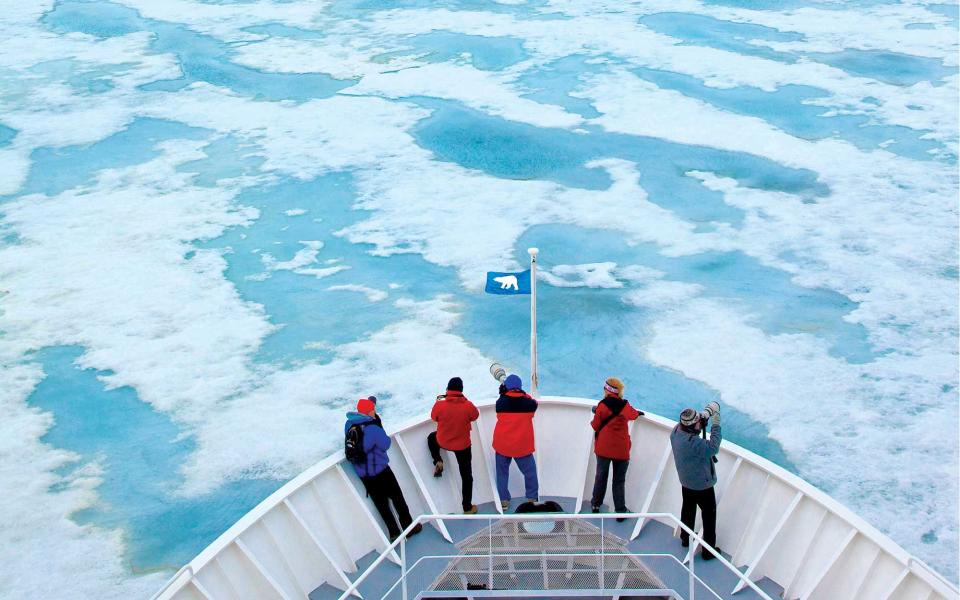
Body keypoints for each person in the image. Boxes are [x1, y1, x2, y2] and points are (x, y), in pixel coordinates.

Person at [344, 397, 423, 540]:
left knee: (381, 504)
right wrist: (378, 424)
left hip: (364, 475)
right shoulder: (373, 428)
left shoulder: (349, 425)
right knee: (397, 498)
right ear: (370, 411)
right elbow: (385, 444)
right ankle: (408, 527)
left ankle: (394, 533)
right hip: (380, 471)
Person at [670, 401, 722, 560]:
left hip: (686, 481)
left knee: (688, 510)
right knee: (709, 516)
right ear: (693, 426)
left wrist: (700, 418)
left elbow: (691, 429)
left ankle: (685, 538)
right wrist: (715, 424)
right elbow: (713, 447)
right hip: (702, 486)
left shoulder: (676, 432)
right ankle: (708, 551)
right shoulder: (694, 444)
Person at [590, 377, 643, 521]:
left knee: (601, 477)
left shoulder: (602, 406)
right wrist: (638, 413)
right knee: (618, 481)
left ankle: (595, 505)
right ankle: (620, 511)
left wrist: (595, 414)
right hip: (621, 450)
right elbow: (633, 415)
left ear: (606, 390)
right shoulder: (625, 406)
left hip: (603, 449)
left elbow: (595, 426)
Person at [427, 377, 480, 514]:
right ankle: (467, 507)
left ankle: (438, 460)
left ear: (447, 390)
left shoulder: (440, 405)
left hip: (443, 441)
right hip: (462, 446)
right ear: (461, 390)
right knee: (466, 475)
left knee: (431, 438)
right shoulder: (467, 406)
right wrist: (464, 400)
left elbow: (434, 417)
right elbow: (475, 416)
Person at [492, 374, 538, 511]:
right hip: (521, 446)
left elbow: (502, 402)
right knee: (530, 473)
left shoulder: (500, 403)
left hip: (502, 445)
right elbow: (534, 402)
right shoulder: (529, 404)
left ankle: (504, 501)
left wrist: (503, 393)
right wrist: (524, 395)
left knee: (502, 473)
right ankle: (532, 498)